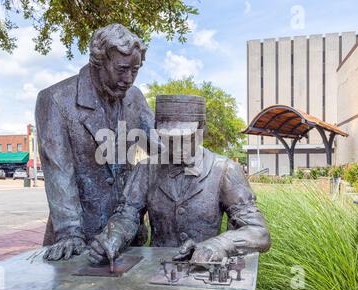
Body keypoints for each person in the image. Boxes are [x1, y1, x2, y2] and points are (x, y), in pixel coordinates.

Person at [88, 95, 271, 265]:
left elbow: (258, 232)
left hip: (203, 271)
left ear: (202, 130)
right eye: (168, 139)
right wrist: (114, 236)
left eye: (185, 138)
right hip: (155, 270)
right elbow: (127, 214)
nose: (176, 147)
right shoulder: (145, 169)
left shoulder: (224, 170)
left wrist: (219, 245)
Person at [35, 24, 154, 261]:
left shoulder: (135, 97)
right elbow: (59, 171)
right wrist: (70, 233)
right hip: (78, 239)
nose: (128, 79)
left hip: (129, 237)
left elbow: (160, 147)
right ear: (98, 62)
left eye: (135, 70)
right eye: (121, 70)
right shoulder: (55, 100)